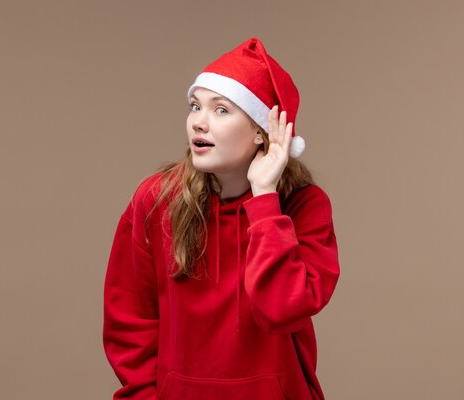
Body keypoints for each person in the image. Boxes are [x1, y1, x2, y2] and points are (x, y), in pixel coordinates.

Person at [103, 38, 340, 400]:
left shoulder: (305, 206)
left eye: (222, 110)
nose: (199, 122)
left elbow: (282, 309)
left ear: (261, 131)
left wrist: (264, 200)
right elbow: (129, 323)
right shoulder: (156, 200)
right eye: (195, 106)